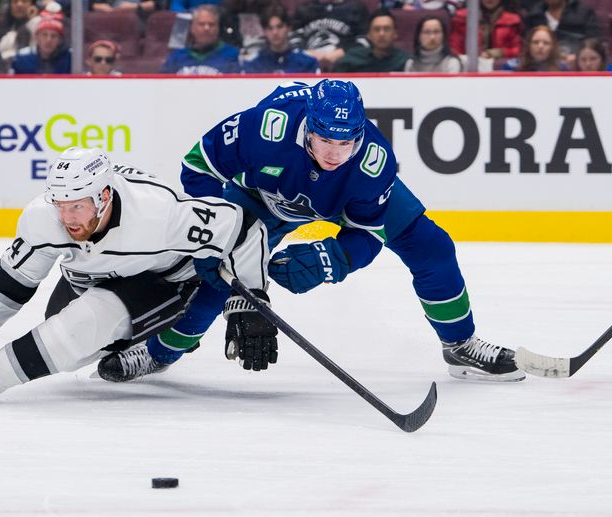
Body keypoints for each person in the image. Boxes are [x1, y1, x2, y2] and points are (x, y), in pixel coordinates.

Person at [103, 79, 525, 384]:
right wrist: (216, 231)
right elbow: (198, 167)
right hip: (261, 197)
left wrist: (332, 260)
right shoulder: (264, 127)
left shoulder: (372, 163)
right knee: (222, 280)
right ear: (308, 126)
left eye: (346, 143)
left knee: (432, 248)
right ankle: (158, 354)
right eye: (325, 141)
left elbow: (368, 236)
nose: (334, 153)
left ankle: (461, 344)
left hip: (342, 202)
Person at [0, 147, 275, 405]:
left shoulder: (157, 213)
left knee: (82, 326)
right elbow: (7, 288)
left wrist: (251, 301)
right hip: (92, 280)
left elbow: (243, 229)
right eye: (61, 206)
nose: (68, 219)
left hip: (167, 283)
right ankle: (131, 341)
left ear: (103, 196)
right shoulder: (42, 219)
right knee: (64, 340)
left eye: (78, 206)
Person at [290, 0, 369, 72]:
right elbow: (294, 39)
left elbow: (364, 40)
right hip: (308, 66)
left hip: (346, 65)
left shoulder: (356, 8)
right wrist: (307, 53)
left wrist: (342, 52)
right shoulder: (304, 9)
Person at [160, 3, 240, 74]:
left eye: (211, 24)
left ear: (218, 28)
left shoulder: (233, 55)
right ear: (192, 28)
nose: (206, 28)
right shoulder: (176, 57)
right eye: (201, 24)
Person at [242, 2, 319, 74]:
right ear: (264, 31)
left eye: (279, 26)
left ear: (289, 28)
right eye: (270, 28)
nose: (275, 32)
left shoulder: (307, 62)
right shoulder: (253, 63)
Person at [333, 8, 409, 73]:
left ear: (395, 34)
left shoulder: (404, 60)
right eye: (376, 29)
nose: (381, 34)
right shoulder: (352, 58)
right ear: (368, 35)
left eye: (387, 29)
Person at [523, 0, 601, 64]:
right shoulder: (534, 16)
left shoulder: (584, 12)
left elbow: (594, 42)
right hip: (542, 68)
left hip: (578, 68)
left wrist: (578, 57)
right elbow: (526, 47)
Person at [450, 0, 522, 62]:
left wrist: (501, 52)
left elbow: (520, 50)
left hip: (501, 68)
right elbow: (454, 48)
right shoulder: (461, 18)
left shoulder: (513, 21)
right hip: (468, 67)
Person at [501, 24, 566, 70]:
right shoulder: (512, 66)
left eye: (546, 43)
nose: (540, 46)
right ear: (528, 45)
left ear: (552, 47)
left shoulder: (562, 68)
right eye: (535, 42)